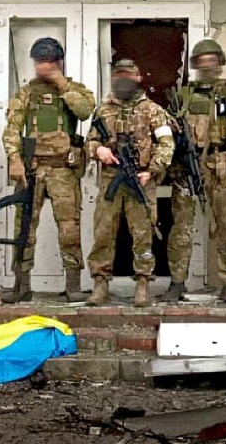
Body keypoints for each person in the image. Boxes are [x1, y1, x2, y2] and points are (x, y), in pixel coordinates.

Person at [2, 37, 95, 303]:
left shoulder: (74, 89)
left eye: (48, 62)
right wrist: (14, 158)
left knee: (69, 227)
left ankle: (73, 285)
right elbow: (11, 129)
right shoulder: (26, 92)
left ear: (59, 62)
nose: (43, 68)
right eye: (39, 63)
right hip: (31, 169)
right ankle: (21, 284)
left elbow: (85, 111)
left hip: (62, 170)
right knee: (24, 228)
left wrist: (61, 83)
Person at [86, 58, 175, 308]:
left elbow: (167, 144)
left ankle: (143, 283)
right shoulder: (103, 110)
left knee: (142, 233)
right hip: (111, 179)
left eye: (128, 75)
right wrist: (99, 150)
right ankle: (100, 284)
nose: (123, 79)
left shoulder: (153, 110)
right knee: (103, 232)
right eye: (119, 75)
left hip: (141, 179)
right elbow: (89, 141)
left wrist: (153, 170)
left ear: (138, 78)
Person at [165, 39, 226, 304]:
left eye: (213, 59)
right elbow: (167, 130)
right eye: (203, 60)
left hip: (221, 166)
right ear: (195, 64)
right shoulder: (184, 96)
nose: (208, 64)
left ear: (220, 61)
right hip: (187, 170)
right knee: (181, 228)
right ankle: (177, 283)